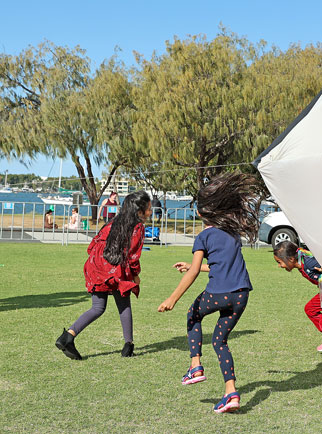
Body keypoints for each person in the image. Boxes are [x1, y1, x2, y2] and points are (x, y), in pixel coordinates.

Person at [158, 172, 258, 414]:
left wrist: (173, 298)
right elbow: (219, 265)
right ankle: (231, 394)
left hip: (219, 294)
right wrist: (193, 266)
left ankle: (195, 367)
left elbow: (193, 274)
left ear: (203, 213)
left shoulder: (203, 236)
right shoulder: (232, 233)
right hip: (241, 295)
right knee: (219, 340)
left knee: (193, 315)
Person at [55, 191, 152, 360]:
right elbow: (132, 255)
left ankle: (68, 336)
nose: (150, 212)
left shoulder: (112, 222)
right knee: (123, 304)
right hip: (113, 269)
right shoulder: (137, 227)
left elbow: (94, 244)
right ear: (139, 211)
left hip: (96, 266)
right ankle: (128, 345)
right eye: (149, 209)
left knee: (97, 308)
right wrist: (135, 275)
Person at [273, 241, 322, 361]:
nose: (279, 266)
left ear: (290, 259)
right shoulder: (301, 260)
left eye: (279, 262)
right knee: (310, 309)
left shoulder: (311, 263)